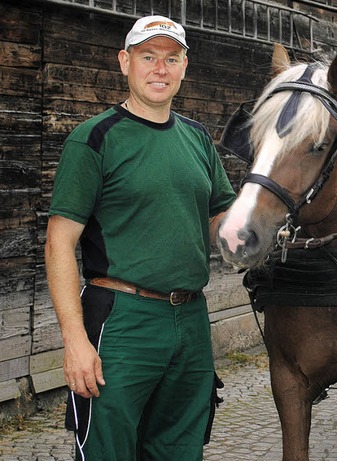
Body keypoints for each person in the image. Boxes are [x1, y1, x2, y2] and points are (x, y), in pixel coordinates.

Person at [44, 15, 236, 461]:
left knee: (180, 449)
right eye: (148, 57)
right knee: (109, 451)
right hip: (121, 321)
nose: (160, 69)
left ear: (184, 67)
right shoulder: (94, 139)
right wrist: (75, 340)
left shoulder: (198, 139)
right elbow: (59, 244)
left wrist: (253, 233)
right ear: (125, 62)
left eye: (171, 59)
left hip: (190, 319)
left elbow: (219, 218)